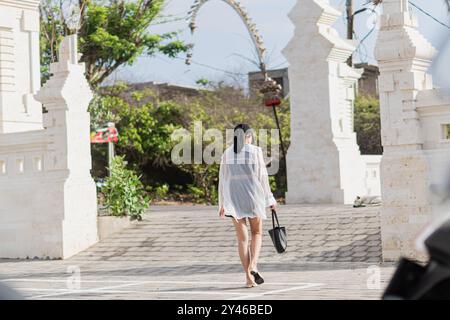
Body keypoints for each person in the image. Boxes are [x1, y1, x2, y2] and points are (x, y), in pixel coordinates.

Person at [218, 124, 277, 288]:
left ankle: (249, 279)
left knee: (242, 240)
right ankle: (253, 266)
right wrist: (270, 199)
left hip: (233, 197)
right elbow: (262, 177)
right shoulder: (255, 151)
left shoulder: (227, 153)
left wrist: (222, 203)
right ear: (248, 136)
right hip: (252, 195)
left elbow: (223, 179)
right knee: (257, 233)